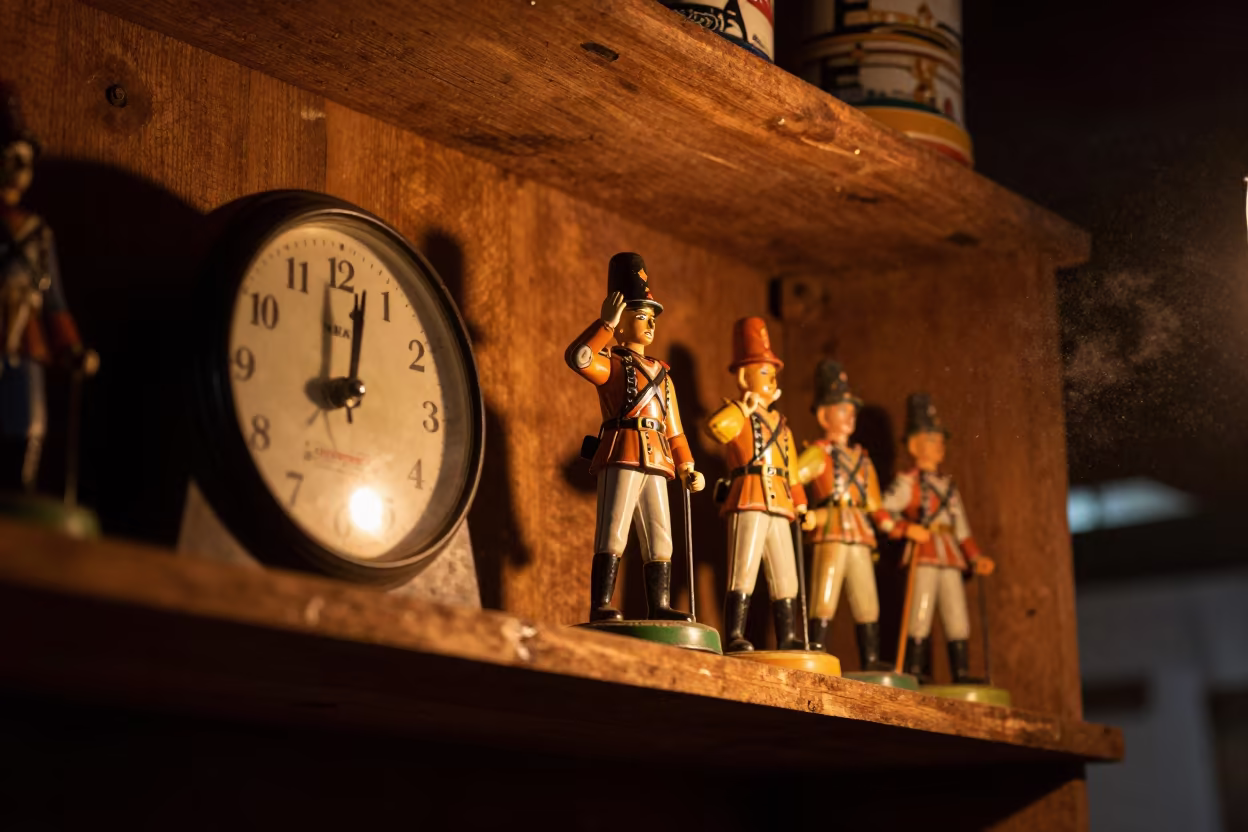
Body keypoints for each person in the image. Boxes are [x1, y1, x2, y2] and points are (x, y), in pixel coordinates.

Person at [565, 253, 704, 623]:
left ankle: (658, 604)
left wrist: (688, 464)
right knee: (613, 530)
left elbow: (675, 429)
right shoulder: (610, 364)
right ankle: (601, 604)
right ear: (621, 323)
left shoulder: (663, 375)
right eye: (640, 317)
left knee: (661, 536)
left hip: (658, 458)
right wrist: (604, 325)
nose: (650, 324)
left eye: (652, 318)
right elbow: (579, 358)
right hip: (622, 451)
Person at [0, 82, 97, 493]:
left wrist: (70, 347)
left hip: (27, 335)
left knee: (28, 418)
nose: (18, 169)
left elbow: (53, 298)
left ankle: (19, 487)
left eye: (23, 160)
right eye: (10, 158)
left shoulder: (39, 234)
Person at [705, 317, 811, 653]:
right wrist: (741, 407)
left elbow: (791, 470)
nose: (771, 378)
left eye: (772, 373)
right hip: (748, 497)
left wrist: (802, 502)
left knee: (786, 576)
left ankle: (788, 636)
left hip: (780, 502)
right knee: (743, 570)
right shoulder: (737, 414)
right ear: (742, 376)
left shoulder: (782, 424)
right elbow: (717, 429)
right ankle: (735, 633)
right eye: (763, 371)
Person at [875, 393, 995, 683]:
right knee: (921, 611)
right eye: (933, 439)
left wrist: (976, 557)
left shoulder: (948, 487)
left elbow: (962, 529)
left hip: (950, 556)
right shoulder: (907, 483)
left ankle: (961, 672)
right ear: (916, 445)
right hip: (924, 553)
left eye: (941, 439)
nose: (940, 445)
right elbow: (881, 513)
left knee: (957, 615)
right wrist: (906, 529)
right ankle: (915, 670)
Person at [797, 360, 890, 669]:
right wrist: (805, 511)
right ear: (824, 415)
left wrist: (896, 527)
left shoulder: (863, 459)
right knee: (824, 596)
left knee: (868, 602)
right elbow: (794, 477)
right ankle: (818, 648)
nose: (850, 415)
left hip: (860, 534)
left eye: (852, 409)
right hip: (831, 531)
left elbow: (876, 506)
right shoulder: (818, 454)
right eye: (842, 409)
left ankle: (871, 659)